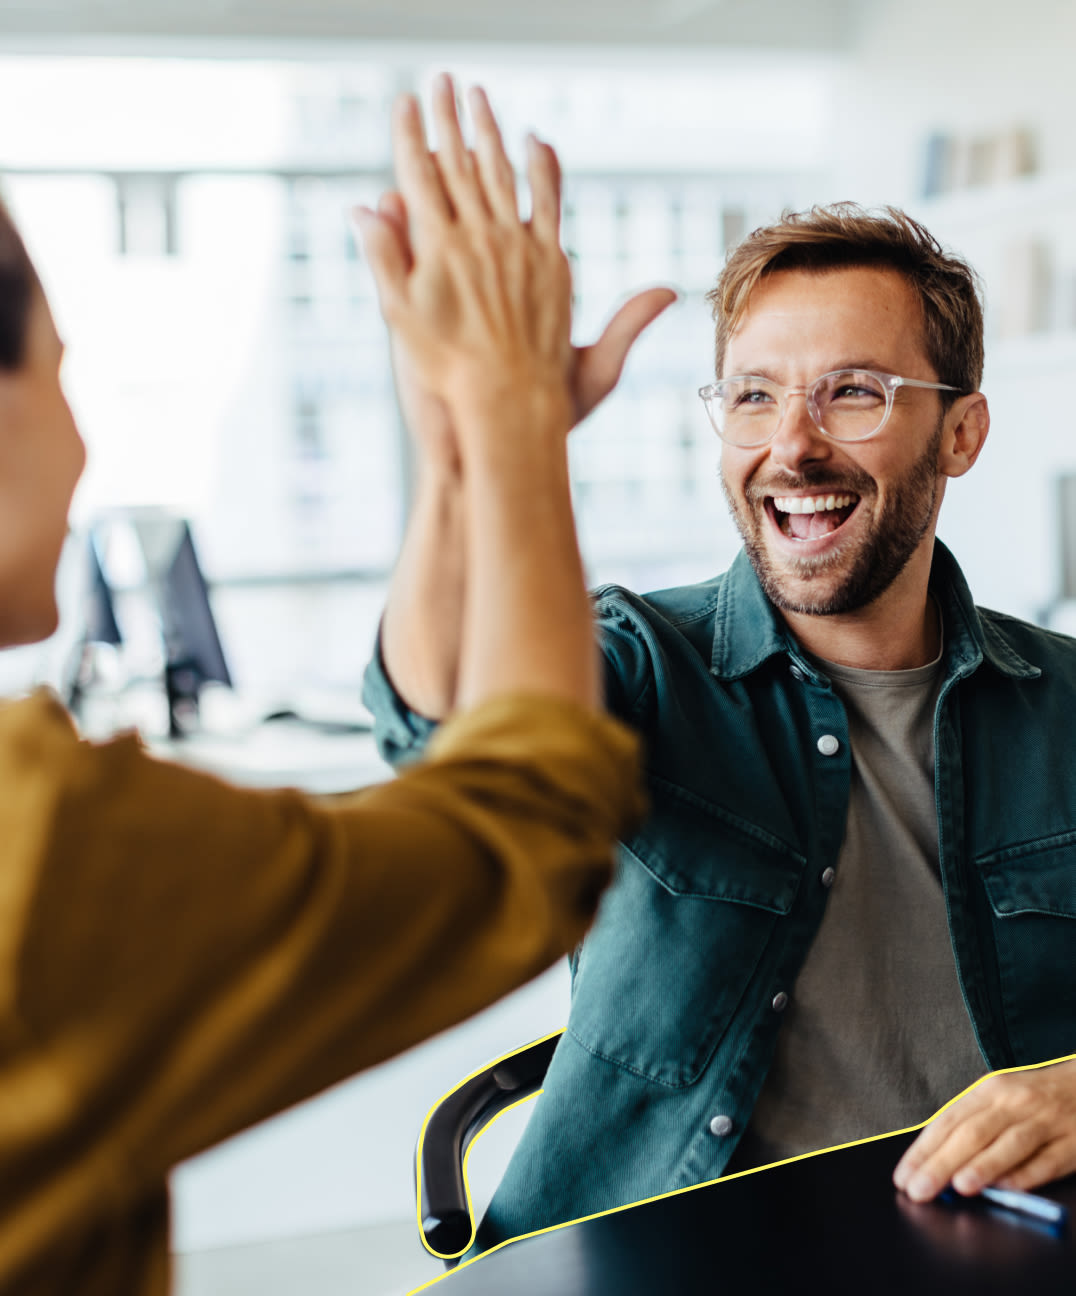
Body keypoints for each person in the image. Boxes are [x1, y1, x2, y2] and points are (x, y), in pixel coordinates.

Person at [0, 77, 648, 1296]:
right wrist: (505, 419)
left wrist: (475, 447)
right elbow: (519, 825)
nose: (83, 442)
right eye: (58, 371)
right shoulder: (30, 835)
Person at [363, 163, 1076, 1248]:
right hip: (670, 1257)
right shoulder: (642, 664)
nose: (789, 445)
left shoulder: (1063, 705)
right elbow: (442, 728)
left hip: (988, 1251)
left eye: (851, 391)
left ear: (960, 434)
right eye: (752, 394)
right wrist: (477, 452)